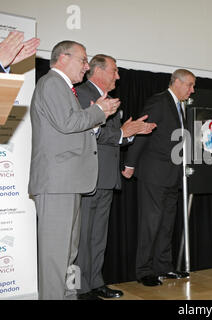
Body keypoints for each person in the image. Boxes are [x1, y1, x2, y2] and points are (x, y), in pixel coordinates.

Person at [28, 40, 119, 299]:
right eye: (83, 60)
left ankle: (68, 296)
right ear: (63, 58)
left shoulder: (65, 88)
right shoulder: (53, 83)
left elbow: (68, 129)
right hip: (57, 183)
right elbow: (68, 122)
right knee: (56, 256)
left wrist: (95, 118)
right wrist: (99, 112)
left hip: (68, 182)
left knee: (68, 253)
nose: (86, 66)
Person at [74, 54, 156, 299]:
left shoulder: (110, 100)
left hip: (107, 177)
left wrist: (130, 133)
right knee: (83, 236)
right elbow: (86, 132)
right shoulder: (81, 93)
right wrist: (122, 133)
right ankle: (80, 288)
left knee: (99, 236)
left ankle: (96, 282)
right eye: (114, 71)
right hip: (88, 176)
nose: (118, 76)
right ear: (98, 70)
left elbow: (113, 138)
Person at [122, 69, 195, 286]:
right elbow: (143, 132)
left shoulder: (180, 107)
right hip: (154, 174)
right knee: (150, 223)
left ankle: (164, 267)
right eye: (190, 85)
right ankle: (144, 270)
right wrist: (130, 163)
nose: (193, 90)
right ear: (177, 82)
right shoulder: (159, 101)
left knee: (166, 224)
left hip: (172, 175)